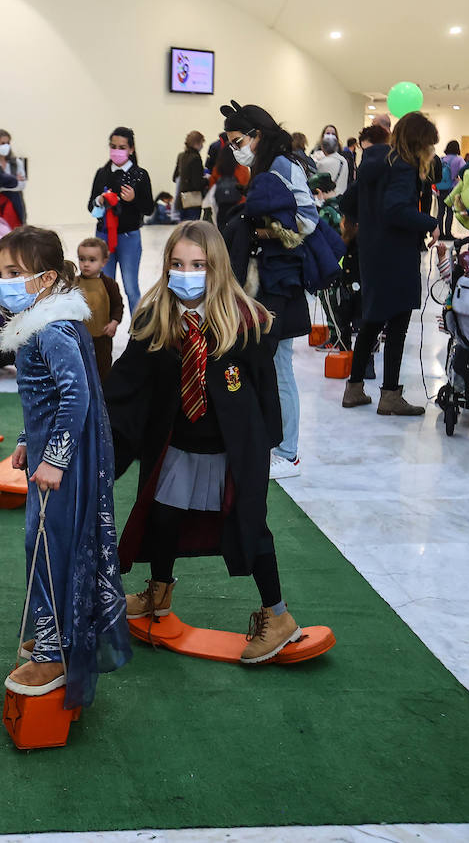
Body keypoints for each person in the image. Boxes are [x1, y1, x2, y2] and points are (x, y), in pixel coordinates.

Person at [105, 221, 308, 663]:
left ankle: (278, 616)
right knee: (162, 515)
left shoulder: (248, 322)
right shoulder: (154, 317)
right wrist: (99, 429)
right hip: (177, 444)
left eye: (198, 264)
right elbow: (125, 382)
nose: (186, 273)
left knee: (251, 527)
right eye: (177, 264)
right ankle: (159, 592)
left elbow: (264, 387)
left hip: (232, 450)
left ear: (216, 267)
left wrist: (267, 444)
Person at [0, 225, 129, 703]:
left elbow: (77, 396)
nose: (3, 281)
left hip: (62, 468)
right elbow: (44, 396)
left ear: (45, 279)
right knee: (41, 544)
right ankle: (56, 632)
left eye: (15, 273)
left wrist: (53, 458)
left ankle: (54, 652)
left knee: (50, 550)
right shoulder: (39, 323)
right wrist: (29, 438)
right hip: (51, 457)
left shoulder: (51, 330)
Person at [219, 100, 318, 478]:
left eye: (238, 140)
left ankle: (288, 451)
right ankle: (273, 443)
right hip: (270, 281)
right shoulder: (271, 165)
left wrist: (264, 232)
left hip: (281, 283)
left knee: (279, 366)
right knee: (270, 363)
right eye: (230, 143)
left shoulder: (281, 165)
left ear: (257, 135)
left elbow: (307, 220)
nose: (235, 148)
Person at [342, 111, 439, 415]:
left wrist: (365, 224)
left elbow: (347, 201)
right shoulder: (403, 167)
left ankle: (354, 389)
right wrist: (431, 222)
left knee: (372, 320)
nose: (430, 152)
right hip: (396, 254)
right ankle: (390, 395)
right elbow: (396, 210)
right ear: (418, 143)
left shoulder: (375, 162)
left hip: (372, 252)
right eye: (428, 145)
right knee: (397, 325)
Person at [88, 126, 153, 311]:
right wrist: (99, 201)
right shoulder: (102, 173)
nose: (117, 151)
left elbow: (148, 208)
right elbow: (90, 206)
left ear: (131, 149)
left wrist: (134, 199)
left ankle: (138, 333)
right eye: (113, 146)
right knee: (104, 287)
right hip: (103, 237)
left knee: (131, 288)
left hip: (128, 237)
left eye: (122, 147)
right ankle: (103, 335)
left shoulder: (140, 175)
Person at [74, 237, 124, 380]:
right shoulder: (74, 283)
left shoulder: (109, 284)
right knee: (81, 367)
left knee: (103, 368)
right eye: (82, 259)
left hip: (102, 336)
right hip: (79, 337)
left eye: (92, 260)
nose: (86, 264)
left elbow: (118, 306)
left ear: (104, 262)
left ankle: (103, 396)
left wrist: (114, 322)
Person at [0, 128, 26, 226]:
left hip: (13, 200)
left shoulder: (16, 162)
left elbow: (22, 185)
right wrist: (13, 179)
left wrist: (0, 181)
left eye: (8, 143)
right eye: (2, 143)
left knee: (13, 229)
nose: (6, 146)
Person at [433, 141, 465, 238]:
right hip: (452, 189)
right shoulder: (458, 159)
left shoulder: (442, 159)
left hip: (440, 188)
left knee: (440, 212)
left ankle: (440, 233)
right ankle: (448, 233)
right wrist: (458, 178)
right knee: (450, 212)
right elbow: (465, 170)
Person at [174, 131, 207, 221]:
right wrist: (208, 180)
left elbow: (175, 177)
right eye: (201, 143)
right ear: (197, 143)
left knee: (183, 230)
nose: (202, 146)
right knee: (192, 229)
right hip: (192, 201)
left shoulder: (181, 156)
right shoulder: (196, 158)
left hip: (181, 199)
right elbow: (197, 184)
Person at [311, 126, 349, 200]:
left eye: (333, 134)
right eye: (328, 133)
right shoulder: (343, 160)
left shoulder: (322, 162)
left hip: (326, 199)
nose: (330, 136)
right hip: (339, 198)